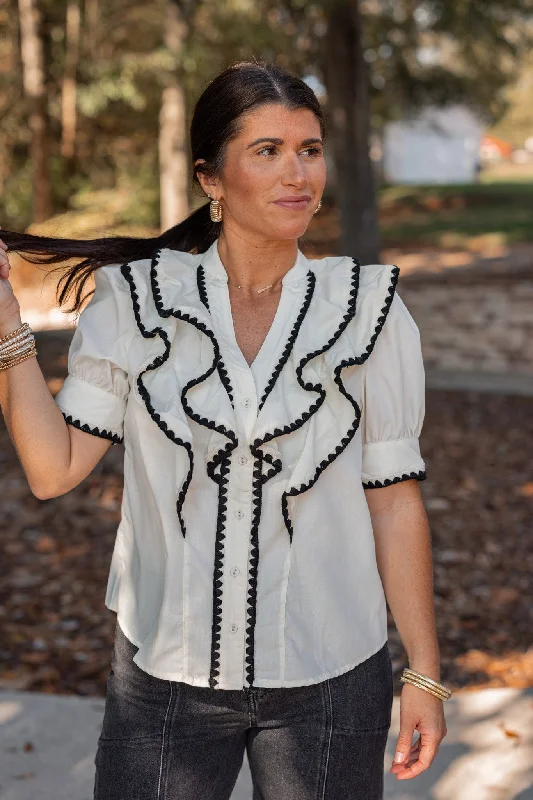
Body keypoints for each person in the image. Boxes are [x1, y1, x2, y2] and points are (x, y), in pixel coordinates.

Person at [0, 60, 449, 799]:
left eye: (308, 149)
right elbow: (53, 471)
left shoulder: (368, 312)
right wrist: (10, 332)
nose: (297, 173)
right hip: (165, 681)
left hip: (332, 679)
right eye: (266, 151)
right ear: (211, 178)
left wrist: (424, 673)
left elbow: (394, 502)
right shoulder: (136, 302)